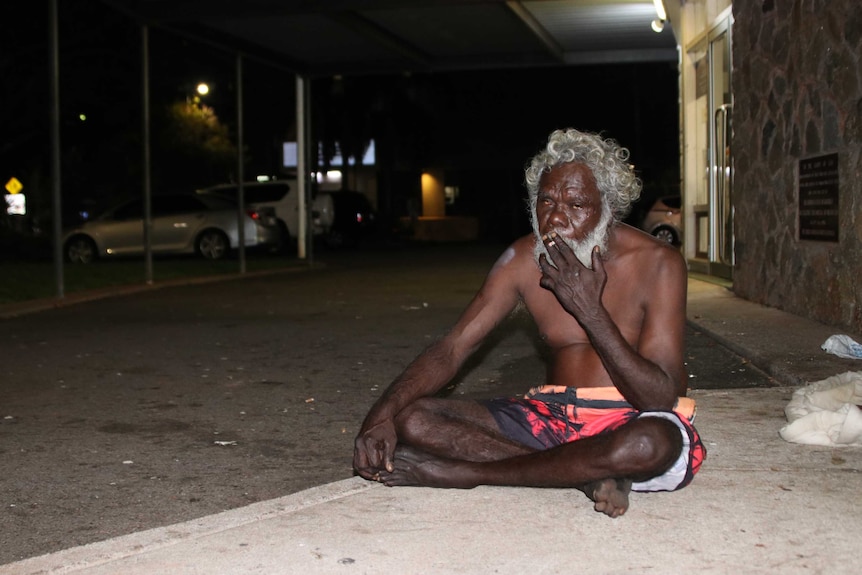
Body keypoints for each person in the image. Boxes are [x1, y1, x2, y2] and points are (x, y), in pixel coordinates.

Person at [353, 128, 705, 517]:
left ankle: (473, 472)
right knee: (413, 417)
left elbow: (660, 397)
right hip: (548, 419)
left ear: (609, 207)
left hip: (628, 420)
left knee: (649, 443)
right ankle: (582, 475)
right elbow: (452, 348)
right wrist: (379, 416)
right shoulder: (521, 258)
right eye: (547, 201)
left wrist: (591, 313)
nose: (556, 217)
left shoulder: (659, 264)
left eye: (576, 205)